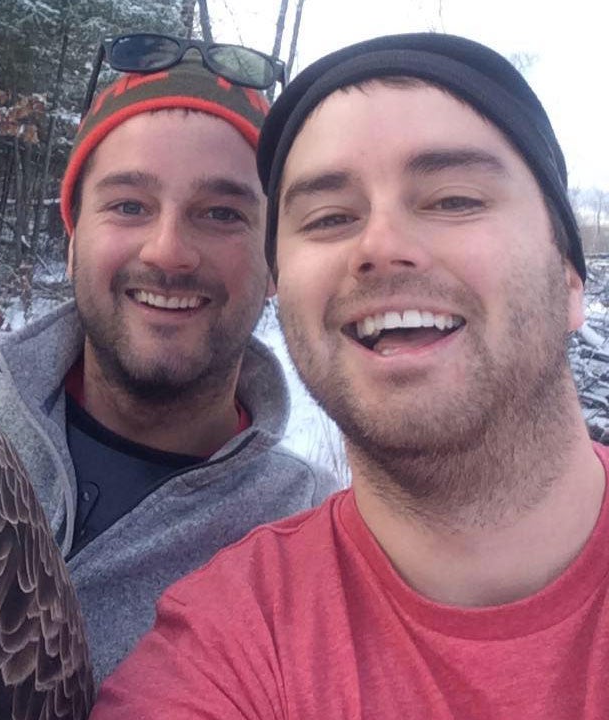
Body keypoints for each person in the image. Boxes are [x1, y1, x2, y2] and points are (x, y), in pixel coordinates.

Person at [90, 32, 609, 718]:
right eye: (330, 217)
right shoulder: (230, 643)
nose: (381, 246)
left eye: (453, 200)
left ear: (571, 279)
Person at [0, 33, 338, 681]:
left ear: (275, 258)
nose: (167, 251)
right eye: (129, 205)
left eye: (221, 213)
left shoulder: (318, 549)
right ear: (73, 238)